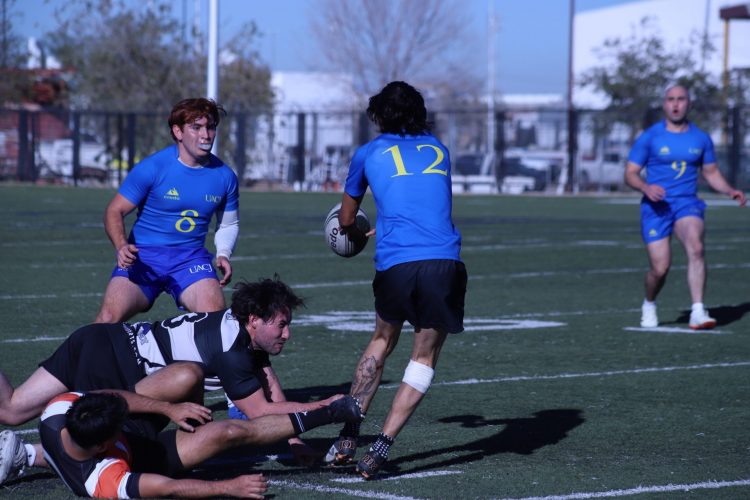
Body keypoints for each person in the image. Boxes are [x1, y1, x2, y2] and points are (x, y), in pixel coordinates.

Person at [0, 277, 342, 465]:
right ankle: (25, 455)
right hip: (115, 363)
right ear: (254, 320)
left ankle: (22, 452)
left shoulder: (239, 330)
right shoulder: (232, 351)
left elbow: (270, 387)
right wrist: (327, 406)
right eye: (281, 325)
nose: (287, 334)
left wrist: (294, 442)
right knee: (109, 451)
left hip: (96, 338)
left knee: (11, 409)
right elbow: (261, 412)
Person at [323, 81, 468, 479]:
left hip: (396, 265)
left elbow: (346, 220)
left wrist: (356, 234)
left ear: (379, 116)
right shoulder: (439, 149)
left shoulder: (368, 153)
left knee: (382, 340)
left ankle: (349, 434)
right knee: (423, 359)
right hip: (442, 262)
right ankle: (380, 449)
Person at [0, 387, 362, 496]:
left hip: (117, 440)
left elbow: (110, 396)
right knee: (230, 433)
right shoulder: (104, 480)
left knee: (186, 374)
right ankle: (329, 411)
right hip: (144, 457)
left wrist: (168, 407)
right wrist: (229, 487)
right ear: (101, 447)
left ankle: (26, 454)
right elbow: (169, 488)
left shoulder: (58, 410)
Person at [95, 97, 240, 324]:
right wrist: (121, 246)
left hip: (190, 259)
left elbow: (229, 223)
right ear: (178, 131)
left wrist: (223, 253)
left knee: (216, 322)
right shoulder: (152, 167)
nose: (206, 135)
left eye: (211, 127)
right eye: (196, 127)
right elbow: (114, 211)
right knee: (107, 319)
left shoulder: (225, 176)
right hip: (142, 257)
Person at [624, 83, 746, 329]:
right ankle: (649, 303)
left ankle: (698, 311)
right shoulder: (650, 137)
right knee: (660, 269)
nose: (676, 104)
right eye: (671, 99)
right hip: (656, 207)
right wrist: (646, 188)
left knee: (696, 248)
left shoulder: (700, 138)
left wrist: (729, 190)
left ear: (689, 104)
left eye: (681, 99)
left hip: (687, 203)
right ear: (664, 104)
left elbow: (711, 172)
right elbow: (630, 174)